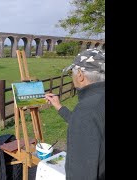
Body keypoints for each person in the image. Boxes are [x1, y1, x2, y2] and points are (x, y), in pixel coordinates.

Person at [45, 49, 105, 180]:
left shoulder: (87, 109)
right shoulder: (97, 103)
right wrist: (59, 107)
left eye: (71, 73)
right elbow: (92, 127)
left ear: (80, 76)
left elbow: (81, 172)